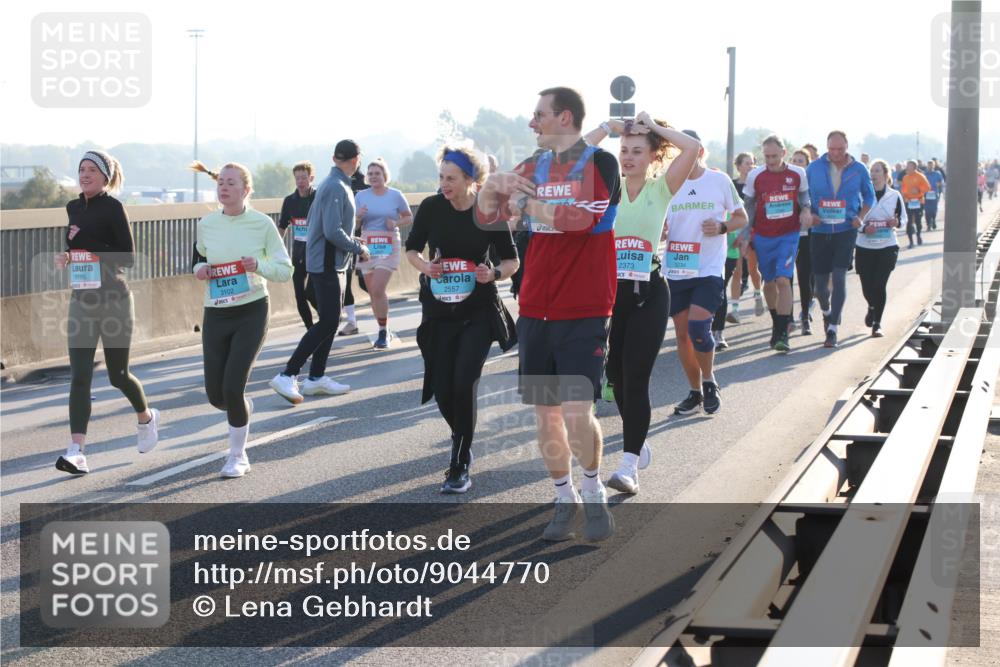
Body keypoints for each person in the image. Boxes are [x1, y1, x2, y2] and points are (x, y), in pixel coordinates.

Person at [475, 86, 620, 541]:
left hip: (586, 307)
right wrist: (492, 188)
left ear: (565, 118)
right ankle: (565, 496)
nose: (531, 123)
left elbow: (582, 221)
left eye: (539, 115)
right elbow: (485, 218)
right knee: (546, 416)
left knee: (578, 412)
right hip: (536, 307)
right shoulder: (531, 167)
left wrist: (528, 204)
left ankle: (593, 491)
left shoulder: (599, 163)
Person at [584, 111, 700, 493]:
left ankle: (629, 466)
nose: (629, 157)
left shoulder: (660, 189)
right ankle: (639, 439)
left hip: (649, 294)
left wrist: (654, 129)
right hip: (609, 295)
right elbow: (571, 157)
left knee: (636, 378)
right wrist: (606, 127)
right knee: (615, 379)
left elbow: (693, 147)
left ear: (652, 156)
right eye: (624, 150)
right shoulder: (608, 188)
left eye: (637, 151)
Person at [406, 147, 519, 494]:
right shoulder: (430, 207)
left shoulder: (489, 211)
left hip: (478, 311)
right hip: (439, 311)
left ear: (472, 180)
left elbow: (512, 261)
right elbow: (411, 249)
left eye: (451, 179)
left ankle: (459, 462)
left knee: (462, 382)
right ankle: (462, 434)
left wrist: (494, 273)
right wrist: (426, 267)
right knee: (442, 389)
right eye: (441, 177)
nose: (444, 184)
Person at [54, 150, 159, 475]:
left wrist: (95, 256)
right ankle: (77, 451)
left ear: (104, 176)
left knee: (118, 376)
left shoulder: (113, 207)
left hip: (114, 300)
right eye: (81, 169)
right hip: (82, 302)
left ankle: (146, 417)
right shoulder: (73, 207)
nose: (84, 175)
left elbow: (126, 258)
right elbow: (78, 248)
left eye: (91, 170)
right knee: (80, 377)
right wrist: (68, 258)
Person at [190, 161, 292, 477]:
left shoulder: (262, 224)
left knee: (233, 387)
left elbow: (285, 269)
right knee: (216, 395)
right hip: (216, 312)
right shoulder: (206, 224)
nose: (224, 187)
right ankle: (241, 410)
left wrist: (257, 266)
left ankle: (237, 456)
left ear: (246, 190)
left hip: (251, 311)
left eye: (231, 182)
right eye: (221, 181)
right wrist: (200, 271)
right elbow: (198, 260)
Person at [269, 140, 370, 404]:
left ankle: (315, 378)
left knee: (330, 320)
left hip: (330, 260)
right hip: (326, 262)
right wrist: (358, 248)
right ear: (356, 159)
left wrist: (353, 243)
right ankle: (288, 374)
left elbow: (333, 229)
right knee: (328, 321)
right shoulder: (336, 187)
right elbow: (332, 231)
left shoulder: (334, 183)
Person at [667, 130, 748, 415]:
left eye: (687, 151)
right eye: (676, 153)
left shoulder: (719, 180)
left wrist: (723, 227)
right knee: (682, 337)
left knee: (699, 328)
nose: (682, 158)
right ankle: (695, 391)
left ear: (699, 152)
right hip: (677, 268)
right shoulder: (666, 183)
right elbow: (658, 222)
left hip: (709, 268)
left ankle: (709, 379)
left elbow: (742, 217)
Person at [737, 135, 811, 353]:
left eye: (774, 156)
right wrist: (745, 235)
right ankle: (776, 324)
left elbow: (804, 197)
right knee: (768, 282)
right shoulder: (755, 175)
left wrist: (806, 209)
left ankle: (782, 332)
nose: (770, 160)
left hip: (788, 235)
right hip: (763, 236)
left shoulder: (798, 173)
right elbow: (748, 207)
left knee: (782, 280)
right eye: (767, 156)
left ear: (783, 153)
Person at [806, 130, 874, 348]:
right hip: (820, 230)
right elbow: (803, 196)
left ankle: (833, 328)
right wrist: (809, 213)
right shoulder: (814, 168)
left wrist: (861, 217)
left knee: (839, 276)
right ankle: (826, 311)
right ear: (827, 148)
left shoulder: (859, 169)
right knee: (819, 285)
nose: (835, 153)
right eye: (832, 149)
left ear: (847, 147)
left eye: (840, 149)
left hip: (846, 229)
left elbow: (869, 196)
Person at [354, 158, 413, 349]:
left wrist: (395, 223)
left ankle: (383, 332)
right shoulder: (361, 196)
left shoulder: (395, 195)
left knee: (378, 289)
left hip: (388, 243)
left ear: (384, 175)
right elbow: (353, 225)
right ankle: (382, 327)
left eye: (377, 173)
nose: (373, 177)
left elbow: (408, 217)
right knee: (373, 293)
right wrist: (359, 217)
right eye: (370, 174)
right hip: (367, 244)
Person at [856, 159, 905, 338]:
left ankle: (877, 323)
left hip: (887, 245)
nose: (873, 174)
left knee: (879, 284)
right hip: (865, 246)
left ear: (885, 175)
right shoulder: (861, 195)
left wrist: (896, 222)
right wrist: (863, 227)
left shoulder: (894, 195)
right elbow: (854, 218)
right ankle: (871, 306)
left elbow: (903, 219)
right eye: (872, 171)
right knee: (867, 286)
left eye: (877, 171)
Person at [278, 161, 318, 329]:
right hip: (298, 254)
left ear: (311, 178)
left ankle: (329, 319)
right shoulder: (289, 201)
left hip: (317, 253)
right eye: (297, 178)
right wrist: (277, 249)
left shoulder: (318, 197)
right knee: (300, 295)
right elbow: (282, 226)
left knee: (311, 293)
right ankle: (311, 330)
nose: (300, 181)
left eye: (304, 177)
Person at [728, 152, 763, 322]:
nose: (750, 166)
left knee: (752, 269)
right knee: (736, 271)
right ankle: (735, 310)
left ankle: (758, 295)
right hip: (735, 232)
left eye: (752, 163)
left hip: (753, 231)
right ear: (739, 166)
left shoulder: (758, 185)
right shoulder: (732, 185)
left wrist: (749, 233)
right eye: (746, 163)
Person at [338, 167, 370, 336]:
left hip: (366, 240)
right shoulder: (338, 182)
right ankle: (352, 322)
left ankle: (381, 306)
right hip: (346, 240)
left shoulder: (365, 182)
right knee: (346, 282)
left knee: (365, 282)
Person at [790, 149, 815, 334]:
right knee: (786, 278)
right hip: (786, 237)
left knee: (805, 278)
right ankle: (788, 318)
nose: (798, 164)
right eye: (795, 160)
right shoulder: (785, 183)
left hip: (807, 237)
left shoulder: (812, 187)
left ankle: (805, 316)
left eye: (801, 161)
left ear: (807, 164)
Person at [900, 160, 931, 248]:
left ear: (914, 167)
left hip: (919, 201)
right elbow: (903, 189)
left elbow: (927, 187)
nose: (907, 167)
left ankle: (918, 236)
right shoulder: (905, 177)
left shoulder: (920, 176)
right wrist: (905, 196)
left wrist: (919, 190)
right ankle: (911, 242)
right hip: (909, 202)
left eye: (909, 165)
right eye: (907, 165)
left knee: (918, 221)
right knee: (909, 221)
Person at [924, 158, 945, 231]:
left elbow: (941, 182)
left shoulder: (937, 173)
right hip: (926, 194)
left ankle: (933, 220)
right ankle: (928, 224)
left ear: (933, 166)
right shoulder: (924, 174)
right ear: (927, 166)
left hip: (934, 193)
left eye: (931, 165)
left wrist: (938, 184)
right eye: (929, 165)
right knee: (927, 210)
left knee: (934, 209)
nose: (930, 167)